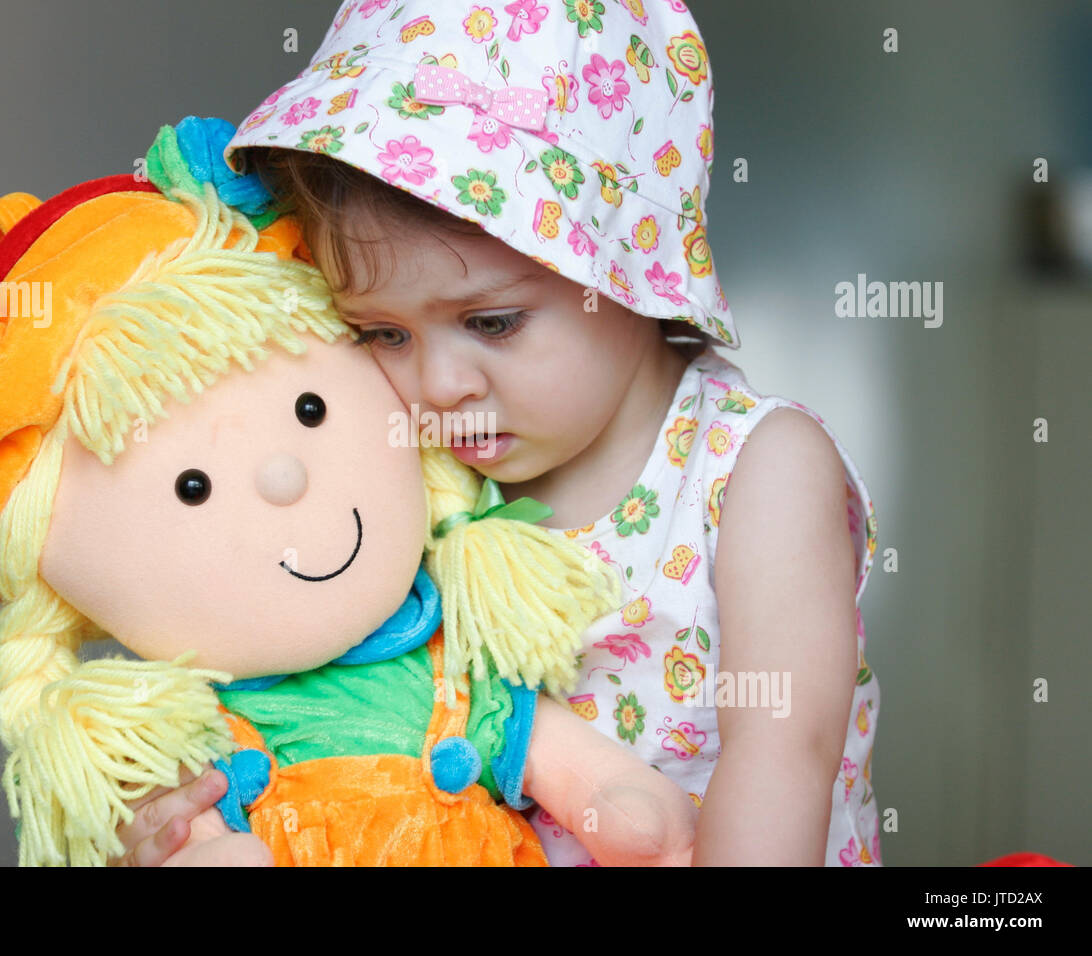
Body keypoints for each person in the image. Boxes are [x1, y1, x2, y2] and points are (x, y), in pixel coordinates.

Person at [123, 0, 881, 866]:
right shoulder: (399, 478)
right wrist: (182, 814)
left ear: (624, 267)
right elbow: (306, 688)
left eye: (491, 323)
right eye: (384, 334)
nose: (440, 386)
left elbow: (787, 756)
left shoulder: (756, 470)